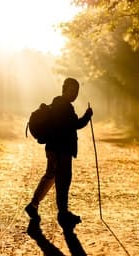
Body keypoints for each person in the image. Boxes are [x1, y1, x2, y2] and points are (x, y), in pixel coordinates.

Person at [25, 77, 93, 229]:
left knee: (51, 176)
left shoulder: (57, 104)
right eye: (72, 90)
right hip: (61, 149)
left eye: (76, 91)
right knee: (63, 180)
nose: (74, 94)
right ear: (65, 90)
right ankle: (63, 214)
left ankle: (34, 205)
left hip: (52, 148)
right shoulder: (65, 107)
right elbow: (76, 124)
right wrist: (87, 116)